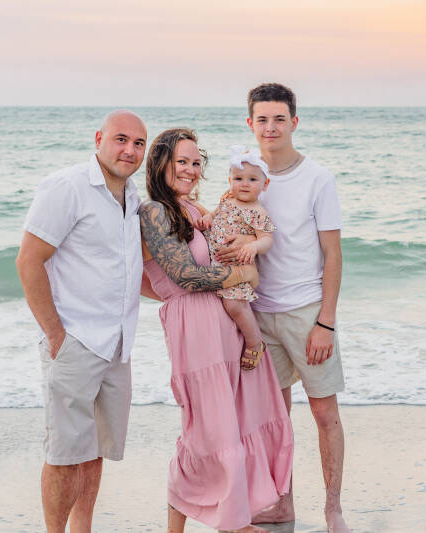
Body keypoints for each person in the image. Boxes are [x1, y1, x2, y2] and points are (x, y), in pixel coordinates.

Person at [139, 128, 293, 533]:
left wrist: (245, 251)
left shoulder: (193, 207)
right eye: (182, 162)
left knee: (236, 423)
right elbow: (185, 276)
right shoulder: (154, 211)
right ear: (161, 164)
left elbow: (223, 253)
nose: (191, 170)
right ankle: (224, 524)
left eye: (196, 162)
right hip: (195, 327)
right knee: (207, 431)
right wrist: (243, 274)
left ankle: (235, 517)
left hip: (224, 321)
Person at [15, 110, 147, 533]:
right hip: (76, 340)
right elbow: (29, 261)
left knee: (95, 451)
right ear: (98, 139)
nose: (130, 150)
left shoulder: (133, 198)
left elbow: (131, 271)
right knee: (64, 454)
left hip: (117, 345)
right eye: (121, 139)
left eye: (139, 143)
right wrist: (55, 334)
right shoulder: (67, 187)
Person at [227, 83, 350, 532]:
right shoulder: (246, 177)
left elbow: (333, 255)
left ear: (294, 122)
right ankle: (282, 503)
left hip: (306, 312)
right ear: (250, 124)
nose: (271, 127)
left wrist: (325, 323)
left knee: (324, 413)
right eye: (262, 119)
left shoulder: (317, 178)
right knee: (275, 419)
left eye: (279, 119)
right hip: (260, 315)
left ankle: (333, 509)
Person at [192, 145, 276, 370]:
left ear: (265, 184)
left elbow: (267, 239)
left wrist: (254, 246)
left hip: (236, 266)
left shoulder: (257, 212)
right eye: (238, 178)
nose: (244, 184)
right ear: (230, 180)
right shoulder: (228, 199)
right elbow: (216, 214)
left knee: (235, 306)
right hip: (217, 265)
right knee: (220, 309)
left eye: (252, 179)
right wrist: (208, 218)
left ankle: (255, 342)